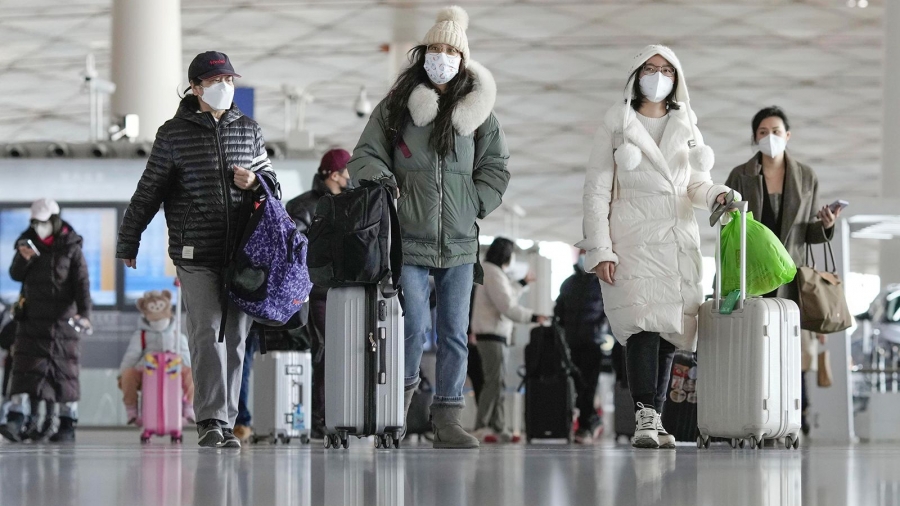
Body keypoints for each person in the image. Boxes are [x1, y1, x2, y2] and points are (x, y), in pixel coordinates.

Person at [348, 5, 510, 449]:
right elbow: (364, 156)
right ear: (423, 55)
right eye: (435, 49)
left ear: (463, 59)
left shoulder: (479, 114)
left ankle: (448, 419)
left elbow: (496, 167)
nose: (442, 57)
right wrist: (386, 183)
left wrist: (475, 203)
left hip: (460, 243)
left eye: (450, 51)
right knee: (413, 328)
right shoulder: (396, 108)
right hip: (409, 241)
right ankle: (395, 414)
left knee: (455, 334)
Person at [578, 45, 737, 449]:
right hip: (630, 240)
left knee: (670, 333)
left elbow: (696, 184)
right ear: (636, 76)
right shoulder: (616, 123)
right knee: (641, 327)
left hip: (675, 241)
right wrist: (600, 249)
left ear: (676, 78)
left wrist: (717, 195)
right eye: (650, 69)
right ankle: (644, 414)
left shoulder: (687, 123)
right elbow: (596, 190)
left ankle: (657, 417)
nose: (658, 76)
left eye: (666, 70)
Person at [116, 51, 278, 449]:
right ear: (196, 87)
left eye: (230, 79)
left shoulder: (249, 130)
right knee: (207, 332)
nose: (226, 86)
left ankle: (228, 421)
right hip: (195, 253)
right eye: (217, 80)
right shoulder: (174, 134)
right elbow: (149, 190)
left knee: (236, 338)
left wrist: (256, 183)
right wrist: (129, 238)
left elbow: (273, 185)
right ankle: (210, 419)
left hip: (242, 255)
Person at [724, 106, 841, 436]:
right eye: (763, 132)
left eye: (776, 131)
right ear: (754, 137)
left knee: (791, 350)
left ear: (787, 136)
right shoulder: (740, 176)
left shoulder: (806, 176)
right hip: (752, 274)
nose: (770, 137)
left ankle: (794, 418)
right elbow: (727, 225)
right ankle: (753, 416)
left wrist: (826, 225)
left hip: (791, 275)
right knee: (753, 348)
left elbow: (808, 233)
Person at [0, 199, 90, 443]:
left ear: (55, 220)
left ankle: (66, 423)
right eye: (35, 222)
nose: (38, 227)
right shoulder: (26, 243)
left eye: (43, 222)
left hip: (63, 322)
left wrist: (84, 314)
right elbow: (15, 274)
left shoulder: (71, 247)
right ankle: (16, 418)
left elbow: (81, 283)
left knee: (64, 373)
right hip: (31, 319)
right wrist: (24, 258)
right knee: (25, 370)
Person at [285, 148, 352, 440]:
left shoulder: (349, 204)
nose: (352, 177)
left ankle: (332, 415)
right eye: (348, 172)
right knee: (323, 350)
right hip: (317, 293)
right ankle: (319, 418)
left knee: (338, 353)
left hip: (343, 291)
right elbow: (294, 247)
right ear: (335, 175)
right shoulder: (304, 206)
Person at [470, 238, 546, 443]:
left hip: (494, 334)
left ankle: (499, 427)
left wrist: (522, 283)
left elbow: (507, 294)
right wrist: (533, 317)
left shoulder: (493, 272)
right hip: (491, 334)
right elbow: (507, 305)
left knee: (497, 382)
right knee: (493, 382)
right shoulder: (492, 273)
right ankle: (482, 426)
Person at [118, 290, 194, 426]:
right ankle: (132, 409)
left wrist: (181, 363)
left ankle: (189, 405)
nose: (157, 311)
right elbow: (131, 356)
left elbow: (186, 357)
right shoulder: (141, 335)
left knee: (191, 374)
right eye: (153, 307)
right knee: (128, 374)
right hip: (147, 370)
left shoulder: (177, 335)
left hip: (173, 370)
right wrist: (122, 375)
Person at [555, 249, 607, 444]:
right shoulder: (568, 283)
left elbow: (608, 312)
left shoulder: (602, 283)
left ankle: (587, 425)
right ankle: (590, 421)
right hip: (572, 343)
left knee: (588, 386)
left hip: (593, 341)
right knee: (578, 385)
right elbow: (559, 311)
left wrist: (601, 329)